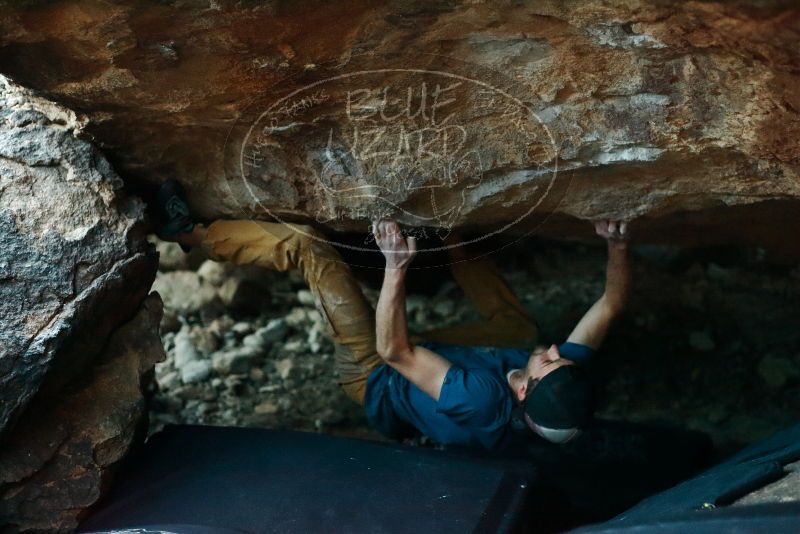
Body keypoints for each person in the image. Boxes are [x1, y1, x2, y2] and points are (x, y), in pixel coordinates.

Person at [153, 180, 632, 451]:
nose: (554, 351)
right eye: (560, 357)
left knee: (309, 247)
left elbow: (394, 350)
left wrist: (395, 266)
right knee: (521, 333)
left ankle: (192, 233)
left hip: (376, 371)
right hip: (429, 361)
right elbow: (609, 306)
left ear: (525, 390)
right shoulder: (550, 394)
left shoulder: (483, 399)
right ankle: (452, 237)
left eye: (550, 362)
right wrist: (616, 243)